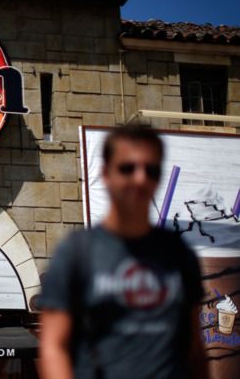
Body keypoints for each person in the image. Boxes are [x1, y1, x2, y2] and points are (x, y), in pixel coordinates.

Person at [38, 125, 209, 379]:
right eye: (127, 168)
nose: (140, 179)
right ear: (106, 173)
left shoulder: (178, 253)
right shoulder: (76, 252)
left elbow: (194, 348)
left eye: (150, 170)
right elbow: (53, 346)